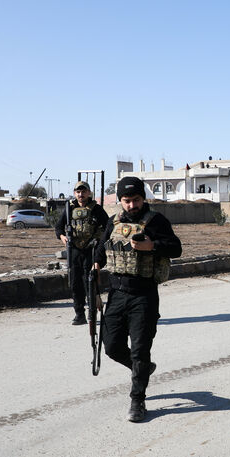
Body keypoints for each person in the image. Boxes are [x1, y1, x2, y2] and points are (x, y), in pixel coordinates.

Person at [93, 176, 182, 422]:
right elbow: (102, 249)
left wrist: (152, 246)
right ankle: (142, 369)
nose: (131, 205)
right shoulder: (114, 221)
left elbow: (176, 248)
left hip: (144, 294)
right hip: (117, 293)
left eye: (136, 200)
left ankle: (137, 401)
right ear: (120, 200)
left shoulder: (156, 221)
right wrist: (96, 264)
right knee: (111, 347)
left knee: (141, 350)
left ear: (143, 198)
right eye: (126, 201)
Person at [55, 181, 109, 325]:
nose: (81, 194)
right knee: (75, 283)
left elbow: (108, 227)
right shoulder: (69, 209)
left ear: (89, 193)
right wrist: (62, 237)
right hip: (74, 251)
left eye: (83, 191)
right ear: (75, 193)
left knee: (89, 282)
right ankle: (79, 314)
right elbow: (59, 227)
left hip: (90, 250)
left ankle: (92, 313)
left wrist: (99, 243)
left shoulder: (96, 209)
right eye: (78, 192)